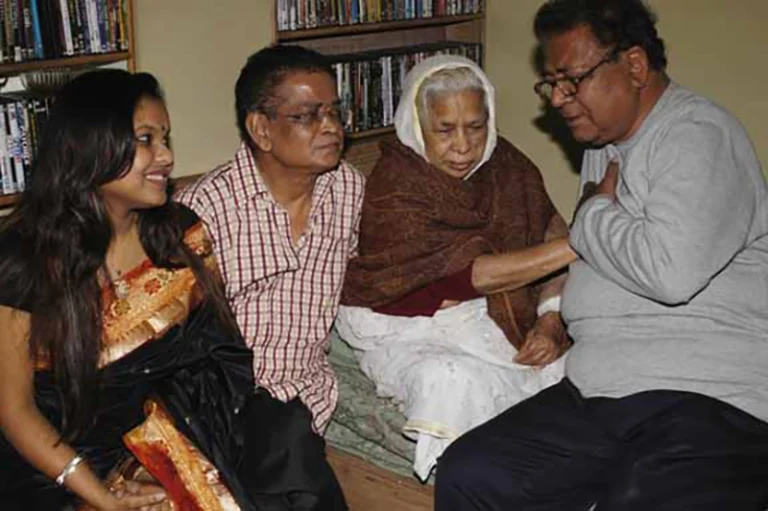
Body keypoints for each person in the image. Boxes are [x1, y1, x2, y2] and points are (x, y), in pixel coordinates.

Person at [435, 1, 768, 510]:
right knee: (471, 471)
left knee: (637, 496)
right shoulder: (603, 147)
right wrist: (553, 315)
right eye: (551, 84)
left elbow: (670, 272)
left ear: (634, 65)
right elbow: (601, 258)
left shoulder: (698, 134)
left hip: (707, 397)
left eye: (571, 80)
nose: (559, 99)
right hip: (601, 394)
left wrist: (593, 213)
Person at [0, 69, 345, 510]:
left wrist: (166, 457)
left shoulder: (179, 234)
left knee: (287, 445)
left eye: (165, 138)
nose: (165, 156)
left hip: (173, 433)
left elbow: (218, 356)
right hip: (62, 465)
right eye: (146, 139)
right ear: (91, 146)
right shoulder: (23, 261)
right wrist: (101, 495)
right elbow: (15, 411)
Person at [337, 54, 577, 480]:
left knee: (580, 364)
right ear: (417, 125)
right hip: (410, 327)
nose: (464, 146)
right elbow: (466, 277)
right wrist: (581, 244)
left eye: (476, 126)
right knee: (451, 380)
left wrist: (549, 316)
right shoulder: (396, 184)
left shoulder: (507, 165)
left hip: (492, 311)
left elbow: (548, 227)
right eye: (445, 130)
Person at [176, 45, 365, 437]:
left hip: (307, 399)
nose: (330, 127)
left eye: (334, 112)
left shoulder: (347, 187)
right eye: (307, 116)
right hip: (225, 403)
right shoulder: (203, 209)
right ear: (261, 129)